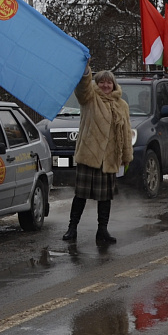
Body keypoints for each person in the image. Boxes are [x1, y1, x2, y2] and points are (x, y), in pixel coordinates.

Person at [62, 67, 133, 245]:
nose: (105, 85)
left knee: (105, 197)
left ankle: (102, 231)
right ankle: (72, 229)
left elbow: (125, 132)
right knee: (80, 195)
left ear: (114, 84)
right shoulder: (90, 98)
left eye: (109, 82)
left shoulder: (122, 105)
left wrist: (126, 155)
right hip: (89, 155)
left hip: (109, 158)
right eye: (101, 82)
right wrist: (86, 72)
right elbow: (83, 88)